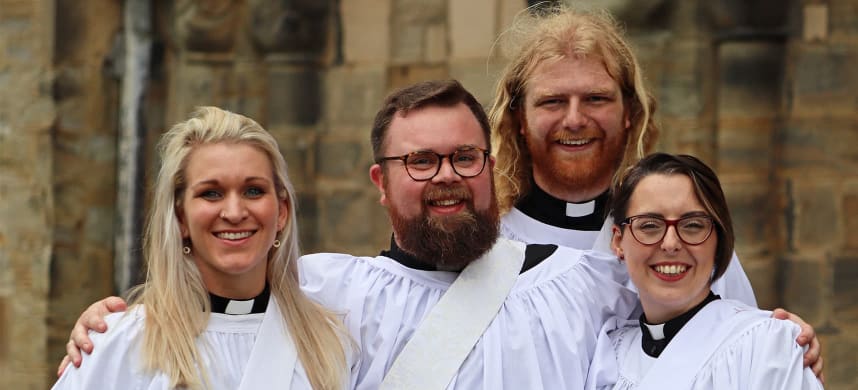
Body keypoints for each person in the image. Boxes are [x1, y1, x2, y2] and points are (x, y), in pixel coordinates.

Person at [58, 80, 819, 388]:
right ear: (380, 180)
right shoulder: (321, 294)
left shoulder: (584, 284)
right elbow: (218, 302)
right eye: (420, 160)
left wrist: (773, 340)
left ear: (492, 167)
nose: (447, 175)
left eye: (464, 156)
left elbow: (682, 315)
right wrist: (105, 324)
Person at [52, 107, 351, 389]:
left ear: (282, 211)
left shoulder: (326, 344)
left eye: (253, 191)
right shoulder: (123, 341)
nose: (234, 212)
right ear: (181, 217)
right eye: (211, 193)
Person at [488, 4, 759, 306]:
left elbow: (744, 340)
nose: (574, 120)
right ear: (520, 119)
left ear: (629, 111)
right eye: (552, 101)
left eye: (596, 99)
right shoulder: (487, 243)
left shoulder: (685, 242)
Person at [584, 153, 823, 389]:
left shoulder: (766, 345)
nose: (670, 243)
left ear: (719, 240)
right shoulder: (608, 356)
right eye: (649, 225)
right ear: (618, 242)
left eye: (693, 225)